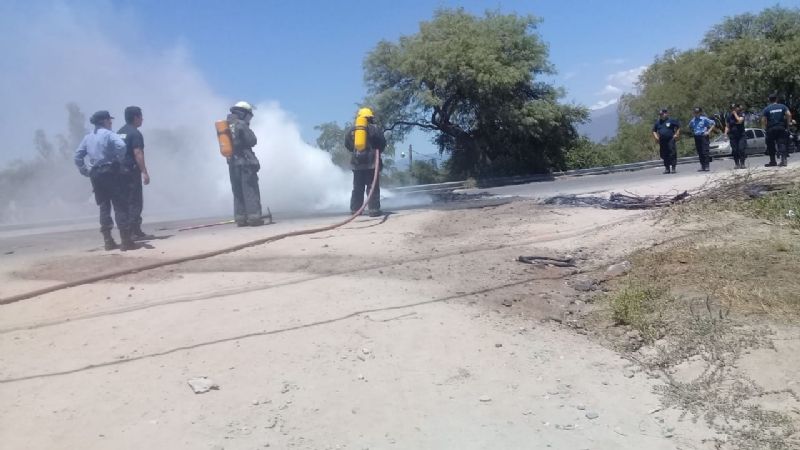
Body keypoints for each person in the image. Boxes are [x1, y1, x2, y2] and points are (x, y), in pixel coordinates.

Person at [74, 111, 139, 251]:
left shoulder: (88, 137)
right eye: (109, 120)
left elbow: (77, 156)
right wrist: (118, 159)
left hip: (96, 174)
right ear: (104, 121)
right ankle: (126, 241)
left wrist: (84, 170)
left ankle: (108, 241)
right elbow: (121, 146)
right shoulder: (109, 134)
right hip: (111, 172)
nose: (111, 122)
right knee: (120, 205)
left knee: (104, 206)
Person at [117, 106, 153, 239]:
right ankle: (133, 231)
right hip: (131, 171)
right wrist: (144, 172)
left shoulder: (119, 132)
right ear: (136, 117)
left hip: (119, 171)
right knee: (135, 201)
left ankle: (129, 231)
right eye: (141, 117)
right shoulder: (135, 134)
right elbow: (137, 152)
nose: (142, 119)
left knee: (124, 202)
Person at [226, 101, 264, 226]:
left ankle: (240, 219)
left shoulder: (225, 125)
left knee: (237, 191)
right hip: (245, 163)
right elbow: (252, 141)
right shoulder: (240, 124)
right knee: (250, 190)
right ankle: (254, 218)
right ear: (243, 113)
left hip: (232, 163)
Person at [345, 107, 386, 216]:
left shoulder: (352, 130)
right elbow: (382, 143)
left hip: (356, 163)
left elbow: (347, 145)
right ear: (369, 118)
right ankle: (374, 210)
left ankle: (355, 210)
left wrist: (356, 151)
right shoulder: (374, 128)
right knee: (372, 186)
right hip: (371, 163)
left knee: (357, 187)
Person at [761, 93, 792, 167]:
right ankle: (783, 160)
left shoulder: (767, 109)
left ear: (769, 100)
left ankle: (773, 161)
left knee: (770, 145)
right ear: (776, 99)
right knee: (782, 143)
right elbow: (789, 114)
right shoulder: (782, 106)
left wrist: (764, 128)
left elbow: (763, 119)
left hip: (771, 129)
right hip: (781, 127)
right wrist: (788, 124)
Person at [652, 108, 681, 174]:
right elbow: (654, 130)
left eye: (662, 114)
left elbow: (678, 126)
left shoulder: (671, 120)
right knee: (664, 154)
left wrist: (677, 134)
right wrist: (656, 137)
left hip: (670, 139)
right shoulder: (658, 122)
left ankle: (673, 168)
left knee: (672, 153)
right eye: (660, 114)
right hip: (662, 140)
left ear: (666, 114)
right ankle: (667, 168)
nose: (661, 115)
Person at [688, 107, 716, 171]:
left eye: (697, 112)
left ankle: (707, 166)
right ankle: (702, 166)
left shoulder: (704, 119)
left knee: (705, 151)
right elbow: (689, 126)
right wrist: (693, 132)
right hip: (697, 137)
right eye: (695, 112)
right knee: (700, 152)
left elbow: (713, 123)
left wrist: (708, 131)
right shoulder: (693, 120)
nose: (696, 114)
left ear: (700, 113)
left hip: (703, 136)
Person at [725, 103, 747, 169]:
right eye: (732, 109)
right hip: (733, 136)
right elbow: (727, 126)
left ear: (738, 108)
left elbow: (739, 120)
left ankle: (742, 163)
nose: (733, 110)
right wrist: (725, 134)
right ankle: (737, 164)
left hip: (741, 135)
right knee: (734, 150)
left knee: (741, 149)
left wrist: (735, 114)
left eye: (734, 108)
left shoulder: (741, 114)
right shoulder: (729, 116)